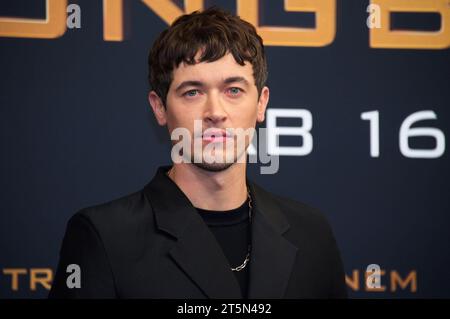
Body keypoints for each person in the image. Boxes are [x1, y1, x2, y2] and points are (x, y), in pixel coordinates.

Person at [49, 6, 347, 299]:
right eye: (193, 92)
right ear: (160, 107)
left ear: (261, 104)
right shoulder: (104, 237)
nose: (215, 112)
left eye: (233, 90)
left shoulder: (312, 234)